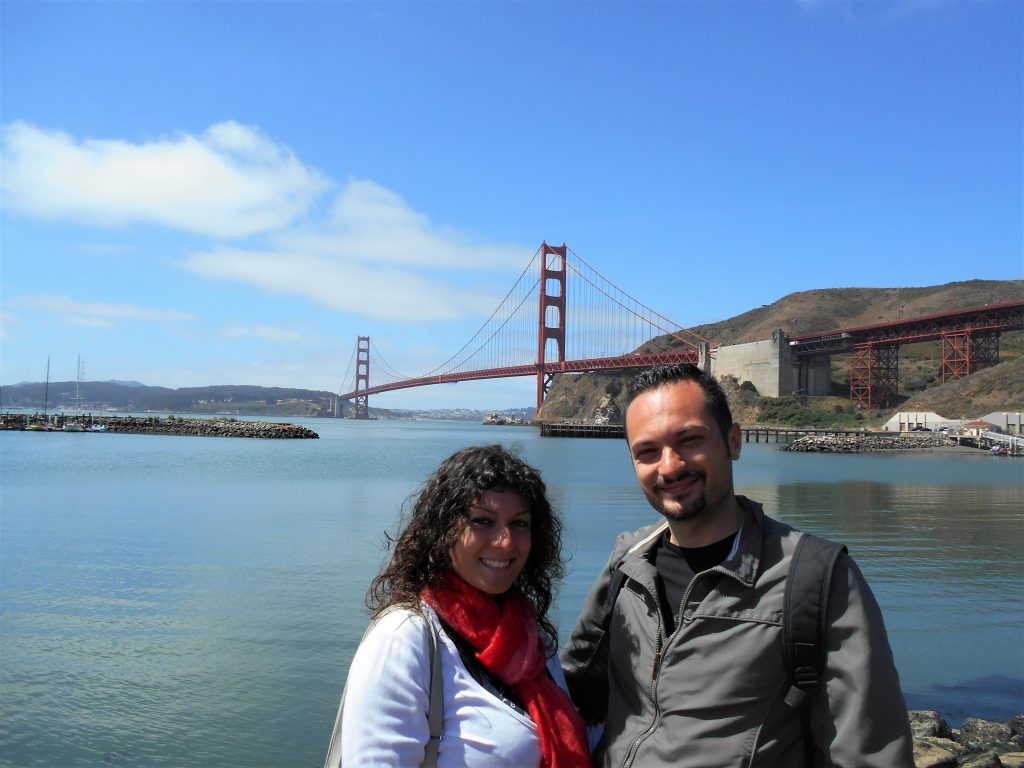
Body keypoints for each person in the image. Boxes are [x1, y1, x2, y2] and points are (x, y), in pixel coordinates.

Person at [560, 364, 914, 767]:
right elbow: (569, 687)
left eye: (690, 440)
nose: (670, 466)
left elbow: (868, 754)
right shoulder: (628, 561)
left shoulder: (817, 578)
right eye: (647, 452)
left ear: (734, 441)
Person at [326, 444, 591, 768]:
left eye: (519, 523)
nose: (505, 541)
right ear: (444, 531)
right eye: (483, 521)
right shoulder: (404, 640)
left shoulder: (532, 639)